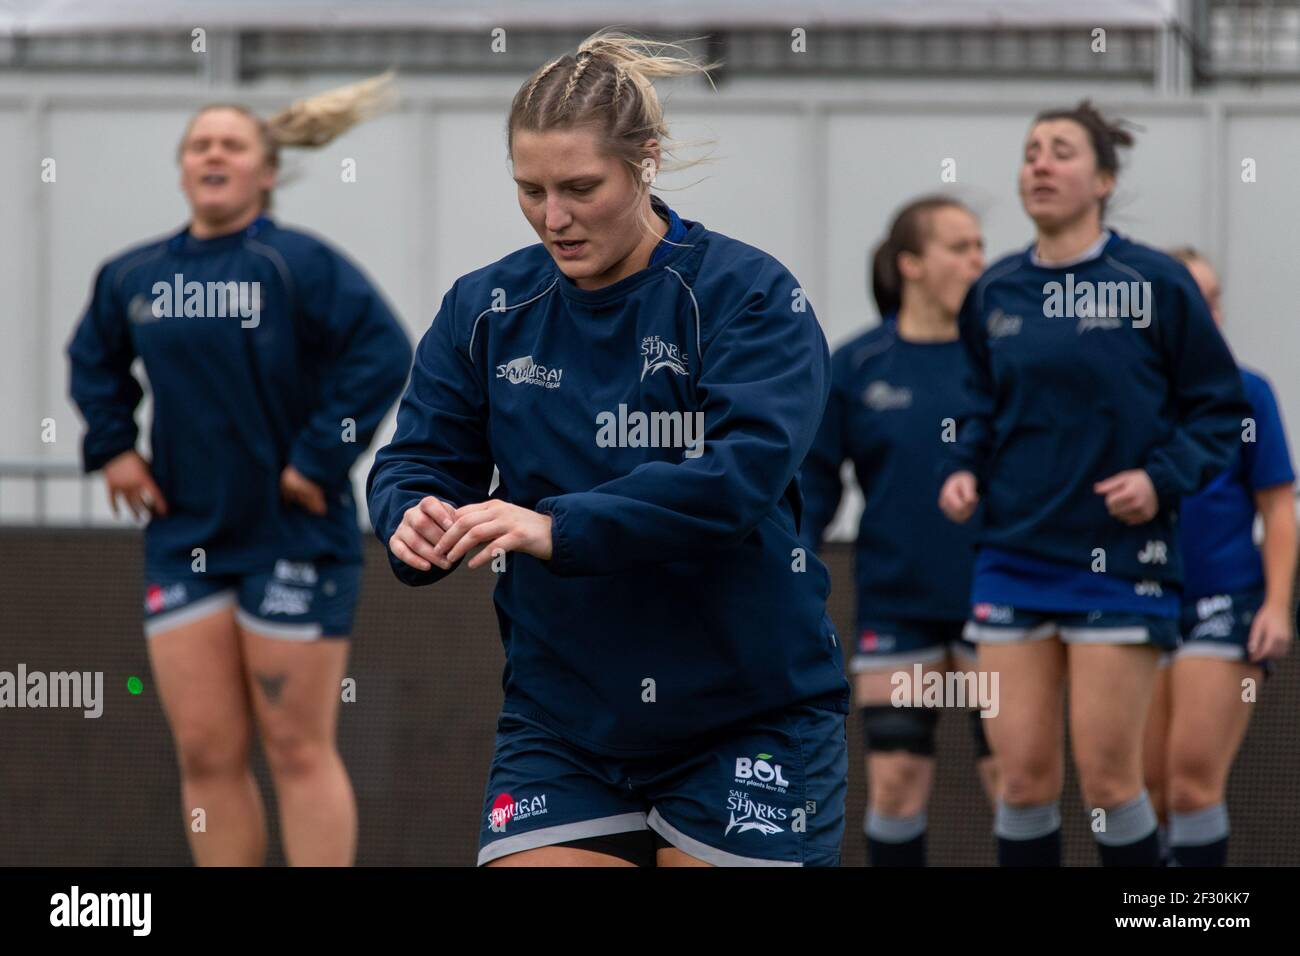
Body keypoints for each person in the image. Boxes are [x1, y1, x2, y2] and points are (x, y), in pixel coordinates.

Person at [367, 31, 850, 867]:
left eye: (581, 187)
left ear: (646, 162)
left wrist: (558, 527)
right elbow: (417, 461)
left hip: (747, 712)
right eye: (531, 190)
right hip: (562, 722)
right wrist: (410, 515)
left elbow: (741, 477)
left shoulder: (746, 294)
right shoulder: (484, 308)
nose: (554, 216)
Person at [67, 74, 412, 866]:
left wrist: (321, 455)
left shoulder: (299, 265)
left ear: (266, 170)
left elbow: (384, 353)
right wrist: (114, 446)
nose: (212, 153)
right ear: (183, 167)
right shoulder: (133, 275)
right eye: (199, 144)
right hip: (184, 535)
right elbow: (94, 362)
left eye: (231, 143)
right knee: (207, 755)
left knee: (296, 748)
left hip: (292, 536)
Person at [938, 100, 1250, 866]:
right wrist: (964, 469)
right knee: (1020, 782)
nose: (1040, 163)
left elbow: (1220, 414)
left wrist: (1160, 479)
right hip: (1010, 558)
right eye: (1031, 149)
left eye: (1062, 151)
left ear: (1104, 179)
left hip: (1120, 566)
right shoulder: (995, 292)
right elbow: (979, 407)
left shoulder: (1156, 283)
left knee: (1112, 786)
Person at [800, 195, 997, 866]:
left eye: (980, 245)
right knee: (895, 785)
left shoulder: (1005, 359)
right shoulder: (857, 365)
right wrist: (790, 578)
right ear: (911, 263)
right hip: (898, 609)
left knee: (1017, 784)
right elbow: (815, 488)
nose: (979, 258)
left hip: (1000, 607)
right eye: (960, 246)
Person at [1141, 247, 1295, 866]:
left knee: (1190, 780)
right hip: (1141, 600)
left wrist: (1278, 607)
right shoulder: (1132, 398)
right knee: (1142, 790)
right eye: (1186, 296)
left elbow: (1278, 508)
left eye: (1211, 295)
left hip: (1223, 602)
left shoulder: (1249, 394)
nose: (1203, 309)